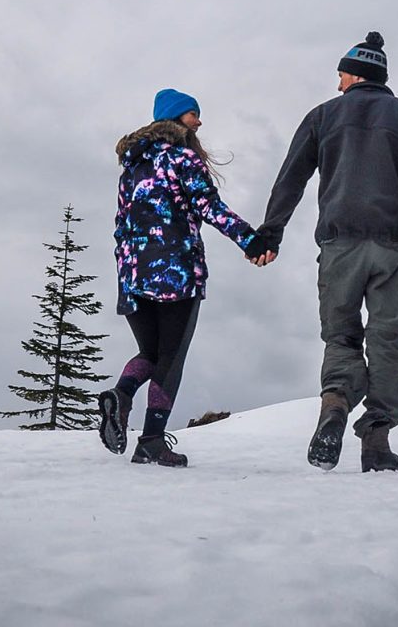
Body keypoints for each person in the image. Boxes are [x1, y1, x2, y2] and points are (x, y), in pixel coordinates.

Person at [256, 32, 398, 472]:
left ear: (355, 73)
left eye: (340, 74)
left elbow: (290, 178)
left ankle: (336, 402)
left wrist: (270, 235)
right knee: (388, 338)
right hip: (390, 246)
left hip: (339, 244)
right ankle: (377, 441)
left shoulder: (322, 116)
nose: (337, 84)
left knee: (341, 336)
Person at [99, 88, 272, 467]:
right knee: (171, 359)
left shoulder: (132, 169)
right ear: (178, 118)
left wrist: (126, 273)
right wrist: (252, 241)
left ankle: (122, 394)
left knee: (151, 352)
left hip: (132, 273)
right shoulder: (183, 159)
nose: (199, 122)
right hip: (175, 272)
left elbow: (119, 225)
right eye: (194, 114)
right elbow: (209, 207)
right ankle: (151, 440)